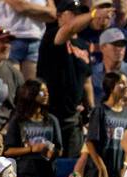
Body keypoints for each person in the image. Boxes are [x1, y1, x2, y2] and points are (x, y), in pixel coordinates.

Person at [36, 0, 90, 157]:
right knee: (49, 160)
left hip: (73, 117)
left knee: (71, 165)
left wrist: (90, 108)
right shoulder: (51, 34)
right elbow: (67, 29)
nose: (79, 17)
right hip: (50, 115)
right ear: (59, 15)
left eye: (81, 13)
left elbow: (87, 81)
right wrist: (92, 15)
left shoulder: (83, 45)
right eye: (74, 13)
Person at [2, 77, 59, 177]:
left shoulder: (52, 120)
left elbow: (59, 148)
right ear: (31, 94)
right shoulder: (18, 121)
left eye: (47, 91)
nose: (46, 94)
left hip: (47, 175)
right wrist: (32, 149)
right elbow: (8, 151)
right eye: (42, 92)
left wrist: (51, 151)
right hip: (24, 176)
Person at [79, 67, 127, 177]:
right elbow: (90, 142)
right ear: (111, 87)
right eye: (121, 83)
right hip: (97, 166)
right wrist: (101, 167)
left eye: (126, 83)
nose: (125, 86)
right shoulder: (100, 110)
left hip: (117, 165)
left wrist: (124, 167)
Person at [0, 0, 54, 82]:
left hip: (35, 41)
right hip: (10, 40)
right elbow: (20, 6)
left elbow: (52, 15)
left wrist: (27, 9)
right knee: (11, 88)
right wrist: (45, 10)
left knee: (30, 90)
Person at [90, 27, 127, 107]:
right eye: (115, 45)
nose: (120, 49)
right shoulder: (93, 74)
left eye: (122, 45)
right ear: (102, 47)